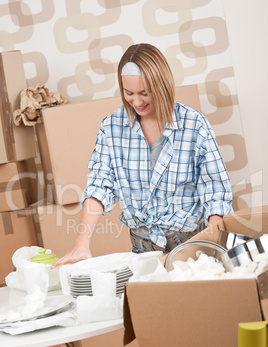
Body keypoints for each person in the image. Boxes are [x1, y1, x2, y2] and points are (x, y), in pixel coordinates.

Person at [52, 43, 233, 268]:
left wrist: (213, 247)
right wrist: (82, 243)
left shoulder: (194, 125)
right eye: (129, 93)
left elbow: (216, 194)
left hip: (193, 249)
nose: (137, 102)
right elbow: (100, 186)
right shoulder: (111, 128)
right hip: (143, 254)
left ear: (161, 85)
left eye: (144, 93)